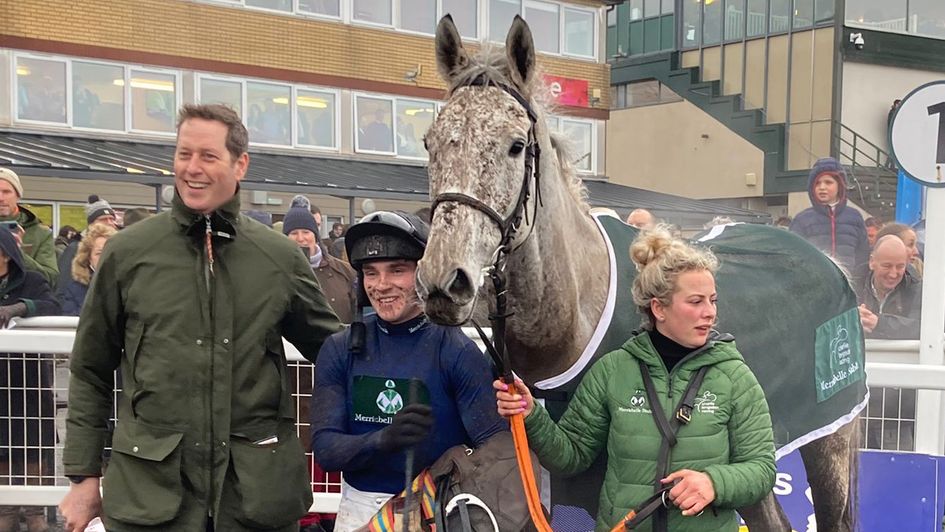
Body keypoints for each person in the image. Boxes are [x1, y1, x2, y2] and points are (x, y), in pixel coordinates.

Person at [59, 103, 342, 532]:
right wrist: (84, 477)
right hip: (151, 498)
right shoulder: (127, 253)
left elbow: (334, 351)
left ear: (240, 164)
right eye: (183, 154)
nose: (193, 168)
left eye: (208, 156)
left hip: (253, 497)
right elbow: (90, 369)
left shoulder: (279, 257)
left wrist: (416, 354)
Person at [496, 227, 776, 531]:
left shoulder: (734, 375)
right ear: (658, 308)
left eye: (713, 300)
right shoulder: (613, 370)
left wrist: (714, 483)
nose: (710, 313)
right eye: (696, 302)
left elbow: (761, 469)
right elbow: (570, 456)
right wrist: (530, 414)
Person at [311, 211, 506, 531]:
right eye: (371, 273)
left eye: (397, 270)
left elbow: (495, 451)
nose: (381, 285)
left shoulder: (456, 350)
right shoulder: (340, 348)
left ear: (423, 273)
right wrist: (383, 439)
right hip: (359, 511)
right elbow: (326, 451)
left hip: (436, 510)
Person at [0, 228, 61, 532]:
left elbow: (53, 305)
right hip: (0, 389)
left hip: (29, 383)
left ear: (6, 253)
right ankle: (7, 513)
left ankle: (36, 512)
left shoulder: (32, 280)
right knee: (4, 504)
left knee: (33, 448)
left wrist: (20, 308)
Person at [789, 157, 869, 271]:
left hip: (848, 284)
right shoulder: (801, 220)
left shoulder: (855, 217)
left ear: (840, 185)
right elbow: (792, 255)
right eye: (817, 183)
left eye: (828, 182)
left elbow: (863, 256)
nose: (822, 187)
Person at [283, 201, 356, 323]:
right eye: (294, 233)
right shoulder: (278, 272)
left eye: (306, 232)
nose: (300, 238)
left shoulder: (345, 270)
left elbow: (359, 311)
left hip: (341, 339)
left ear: (315, 235)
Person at [854, 235, 921, 340]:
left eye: (900, 267)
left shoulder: (918, 289)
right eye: (887, 266)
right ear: (872, 262)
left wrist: (879, 323)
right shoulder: (852, 286)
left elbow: (922, 328)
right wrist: (850, 317)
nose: (893, 274)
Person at [0, 168, 58, 287]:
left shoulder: (40, 233)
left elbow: (50, 279)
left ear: (18, 195)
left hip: (22, 302)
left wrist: (17, 253)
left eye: (6, 192)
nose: (0, 198)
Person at [56, 195, 119, 290]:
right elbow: (62, 287)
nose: (109, 223)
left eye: (112, 219)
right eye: (103, 219)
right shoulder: (75, 248)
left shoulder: (119, 248)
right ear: (91, 224)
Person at [57, 223, 117, 316]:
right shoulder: (74, 288)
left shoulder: (127, 285)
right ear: (88, 257)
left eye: (109, 252)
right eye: (99, 253)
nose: (105, 257)